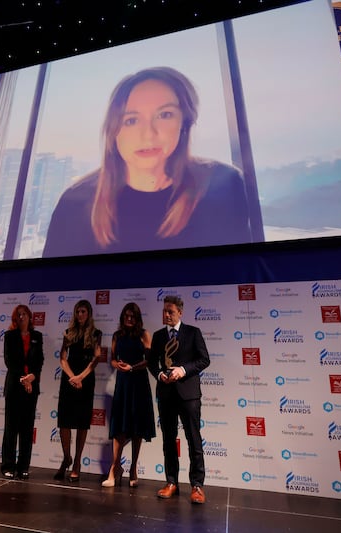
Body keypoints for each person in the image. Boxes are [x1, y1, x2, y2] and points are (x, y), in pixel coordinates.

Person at [43, 66, 252, 258]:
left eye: (165, 115)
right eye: (131, 120)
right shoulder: (75, 202)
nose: (148, 135)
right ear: (113, 131)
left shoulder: (223, 184)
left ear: (184, 123)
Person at [147, 295, 210, 504]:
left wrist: (183, 370)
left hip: (189, 394)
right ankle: (171, 482)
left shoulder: (193, 333)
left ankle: (197, 486)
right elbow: (151, 362)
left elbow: (204, 360)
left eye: (170, 311)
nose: (166, 314)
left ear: (180, 313)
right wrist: (160, 374)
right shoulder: (157, 336)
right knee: (168, 440)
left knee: (193, 439)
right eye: (164, 311)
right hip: (166, 395)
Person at [102, 302, 155, 488]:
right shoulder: (117, 336)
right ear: (123, 317)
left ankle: (133, 467)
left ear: (138, 318)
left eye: (133, 316)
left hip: (139, 383)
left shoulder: (144, 335)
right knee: (119, 428)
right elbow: (113, 360)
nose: (129, 319)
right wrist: (120, 366)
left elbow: (149, 360)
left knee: (137, 428)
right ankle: (114, 469)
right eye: (126, 316)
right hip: (123, 384)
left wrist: (132, 367)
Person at [55, 299, 102, 482]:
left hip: (86, 379)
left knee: (82, 423)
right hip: (69, 380)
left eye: (83, 311)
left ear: (89, 314)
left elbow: (96, 359)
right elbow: (62, 358)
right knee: (64, 422)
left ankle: (77, 463)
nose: (80, 315)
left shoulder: (96, 334)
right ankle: (66, 457)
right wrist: (71, 377)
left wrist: (80, 377)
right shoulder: (68, 333)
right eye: (77, 312)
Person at [1, 304, 44, 480]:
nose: (21, 317)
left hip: (31, 387)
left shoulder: (37, 336)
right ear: (15, 318)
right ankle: (7, 466)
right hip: (14, 386)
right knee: (11, 428)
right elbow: (9, 360)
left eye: (24, 314)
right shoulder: (9, 336)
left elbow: (39, 359)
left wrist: (32, 377)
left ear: (29, 316)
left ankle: (23, 466)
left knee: (27, 429)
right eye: (18, 315)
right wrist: (23, 378)